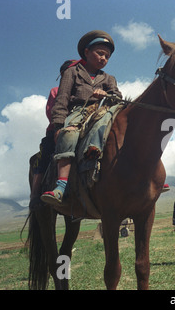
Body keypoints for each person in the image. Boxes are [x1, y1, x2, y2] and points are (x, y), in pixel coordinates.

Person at [41, 30, 122, 206]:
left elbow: (117, 96)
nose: (103, 58)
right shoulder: (72, 72)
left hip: (103, 111)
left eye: (107, 56)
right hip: (78, 112)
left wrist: (106, 95)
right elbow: (61, 99)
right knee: (69, 134)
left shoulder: (108, 78)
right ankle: (61, 187)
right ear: (86, 52)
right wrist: (58, 127)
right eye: (100, 53)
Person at [29, 60, 80, 211]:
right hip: (56, 130)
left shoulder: (82, 91)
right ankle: (35, 196)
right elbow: (51, 112)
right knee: (44, 156)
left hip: (80, 126)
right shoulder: (56, 91)